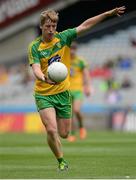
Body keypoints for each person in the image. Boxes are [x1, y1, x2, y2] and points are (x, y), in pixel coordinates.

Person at [28, 6, 125, 171]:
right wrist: (44, 78)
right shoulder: (34, 47)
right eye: (47, 26)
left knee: (64, 133)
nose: (51, 30)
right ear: (41, 26)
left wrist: (107, 14)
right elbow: (36, 68)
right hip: (43, 94)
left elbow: (85, 25)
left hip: (63, 93)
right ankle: (61, 161)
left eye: (53, 26)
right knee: (51, 130)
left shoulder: (64, 38)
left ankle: (71, 131)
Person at [68, 41, 91, 142]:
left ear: (76, 50)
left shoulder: (81, 61)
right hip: (66, 90)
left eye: (74, 49)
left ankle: (82, 127)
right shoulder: (64, 60)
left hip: (77, 90)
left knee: (76, 110)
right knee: (70, 114)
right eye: (70, 49)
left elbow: (86, 74)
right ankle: (72, 134)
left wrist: (88, 87)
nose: (72, 51)